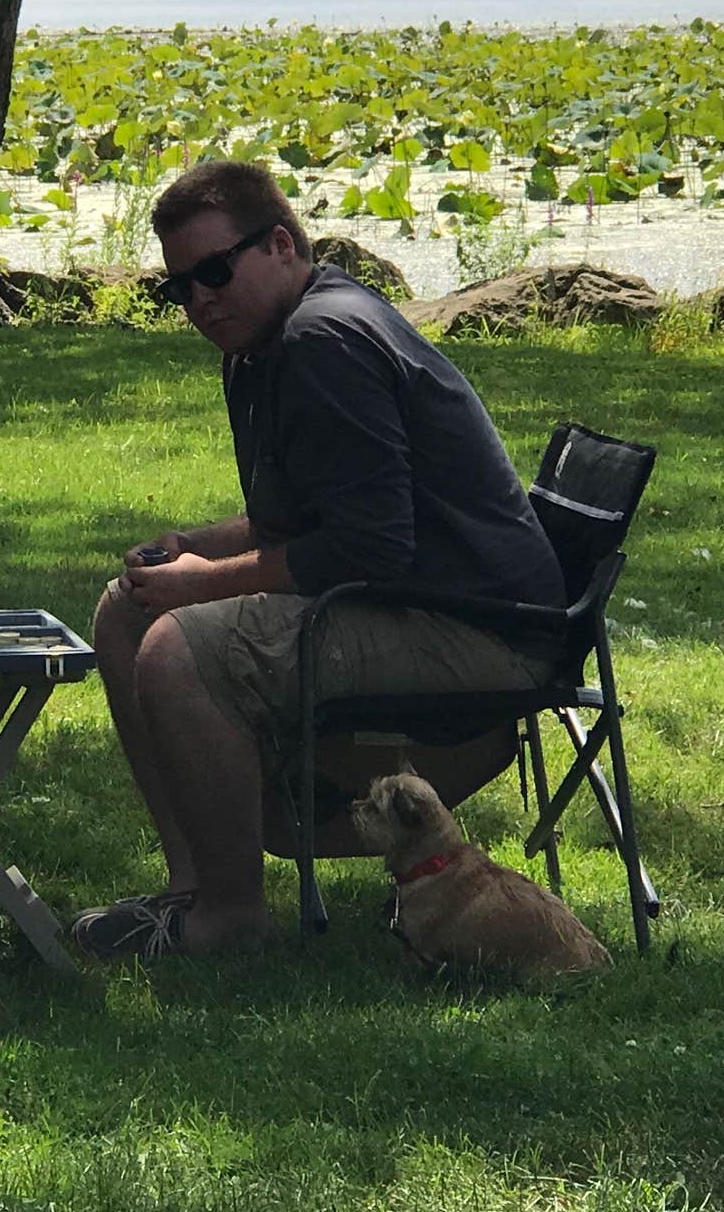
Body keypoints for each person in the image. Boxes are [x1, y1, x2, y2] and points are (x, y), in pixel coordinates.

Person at [75, 158, 568, 960]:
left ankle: (231, 918)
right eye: (179, 286)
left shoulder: (322, 339)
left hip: (481, 631)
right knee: (127, 610)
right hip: (410, 599)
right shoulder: (263, 344)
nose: (200, 299)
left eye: (214, 271)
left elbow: (370, 544)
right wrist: (192, 549)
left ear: (279, 245)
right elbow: (301, 519)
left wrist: (203, 584)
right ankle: (191, 889)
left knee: (177, 649)